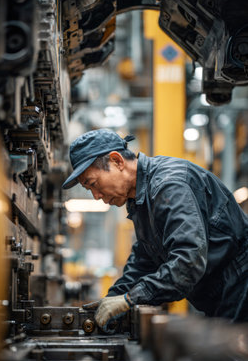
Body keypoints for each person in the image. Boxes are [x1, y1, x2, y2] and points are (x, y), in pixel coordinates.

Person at [62, 129, 248, 329]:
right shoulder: (141, 200)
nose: (96, 196)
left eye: (93, 184)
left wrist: (129, 299)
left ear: (117, 161)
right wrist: (113, 300)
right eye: (89, 189)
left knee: (231, 357)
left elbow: (188, 263)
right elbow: (144, 261)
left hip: (241, 287)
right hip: (223, 293)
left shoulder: (169, 186)